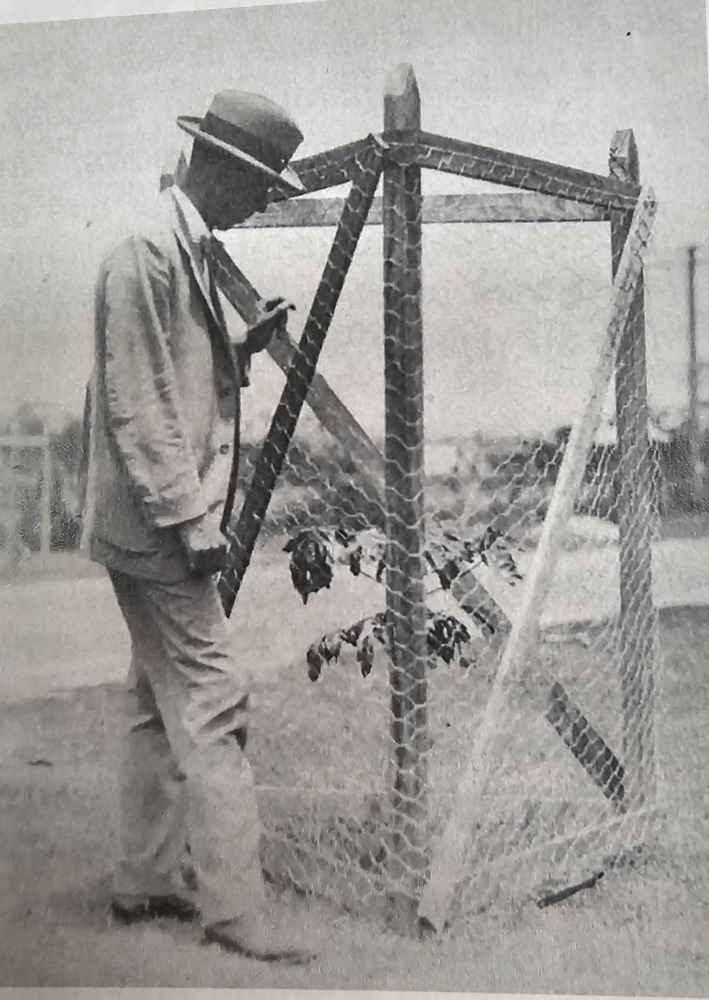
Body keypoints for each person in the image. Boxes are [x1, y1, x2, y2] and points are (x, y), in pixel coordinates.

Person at [79, 90, 316, 964]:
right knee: (215, 701)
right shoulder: (147, 251)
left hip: (141, 523)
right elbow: (137, 404)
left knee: (154, 701)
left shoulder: (178, 245)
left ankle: (141, 883)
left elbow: (168, 369)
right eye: (258, 187)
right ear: (217, 167)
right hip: (157, 526)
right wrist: (188, 517)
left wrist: (240, 349)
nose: (261, 205)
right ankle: (234, 910)